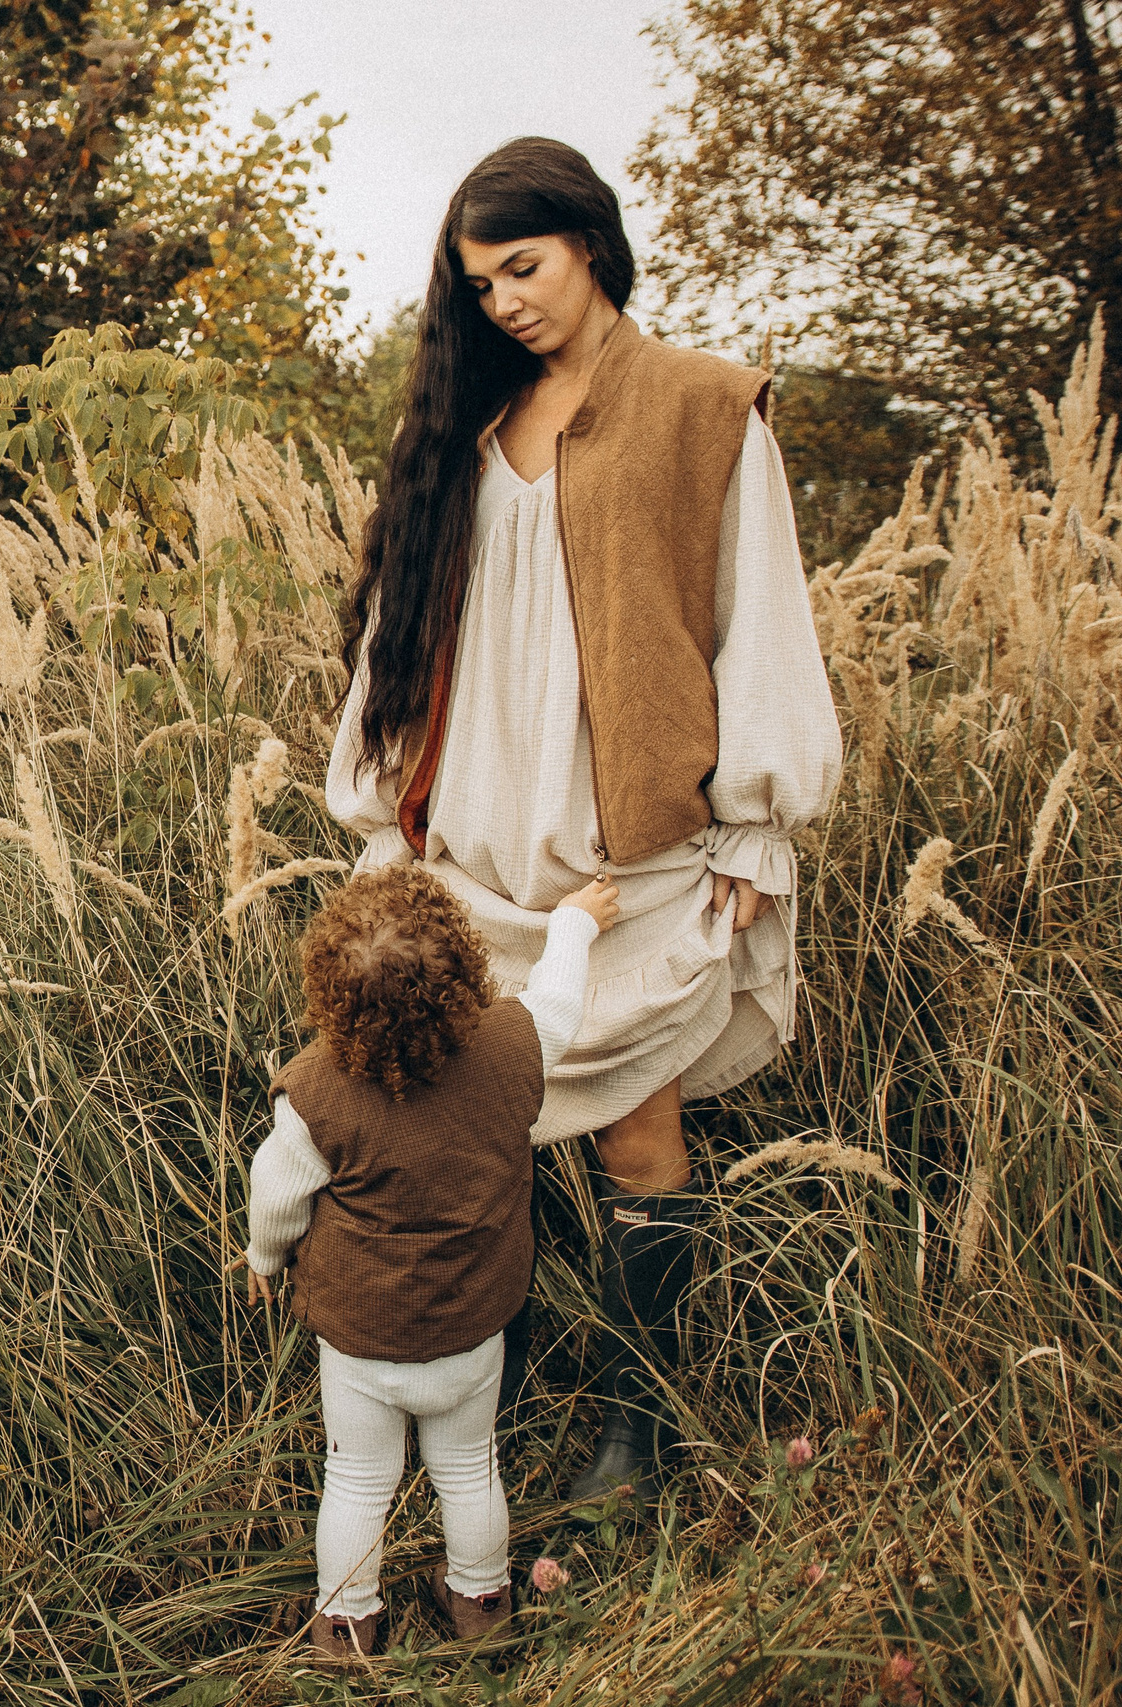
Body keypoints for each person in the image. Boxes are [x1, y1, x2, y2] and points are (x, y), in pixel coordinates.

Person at [324, 137, 843, 1504]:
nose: (504, 302)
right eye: (479, 283)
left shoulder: (703, 408)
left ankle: (638, 1425)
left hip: (625, 848)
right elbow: (403, 633)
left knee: (634, 1131)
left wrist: (757, 817)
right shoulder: (466, 426)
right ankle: (486, 1401)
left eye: (524, 266)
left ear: (592, 246)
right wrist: (387, 814)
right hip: (471, 843)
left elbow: (756, 615)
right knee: (466, 1131)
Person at [245, 862, 617, 1665]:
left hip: (361, 1342)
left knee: (356, 1479)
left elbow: (274, 1190)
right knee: (471, 1469)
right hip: (471, 1329)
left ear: (331, 999)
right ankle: (482, 1601)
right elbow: (558, 998)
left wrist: (263, 1257)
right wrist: (575, 922)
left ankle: (346, 1625)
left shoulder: (315, 1093)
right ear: (464, 972)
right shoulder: (514, 1046)